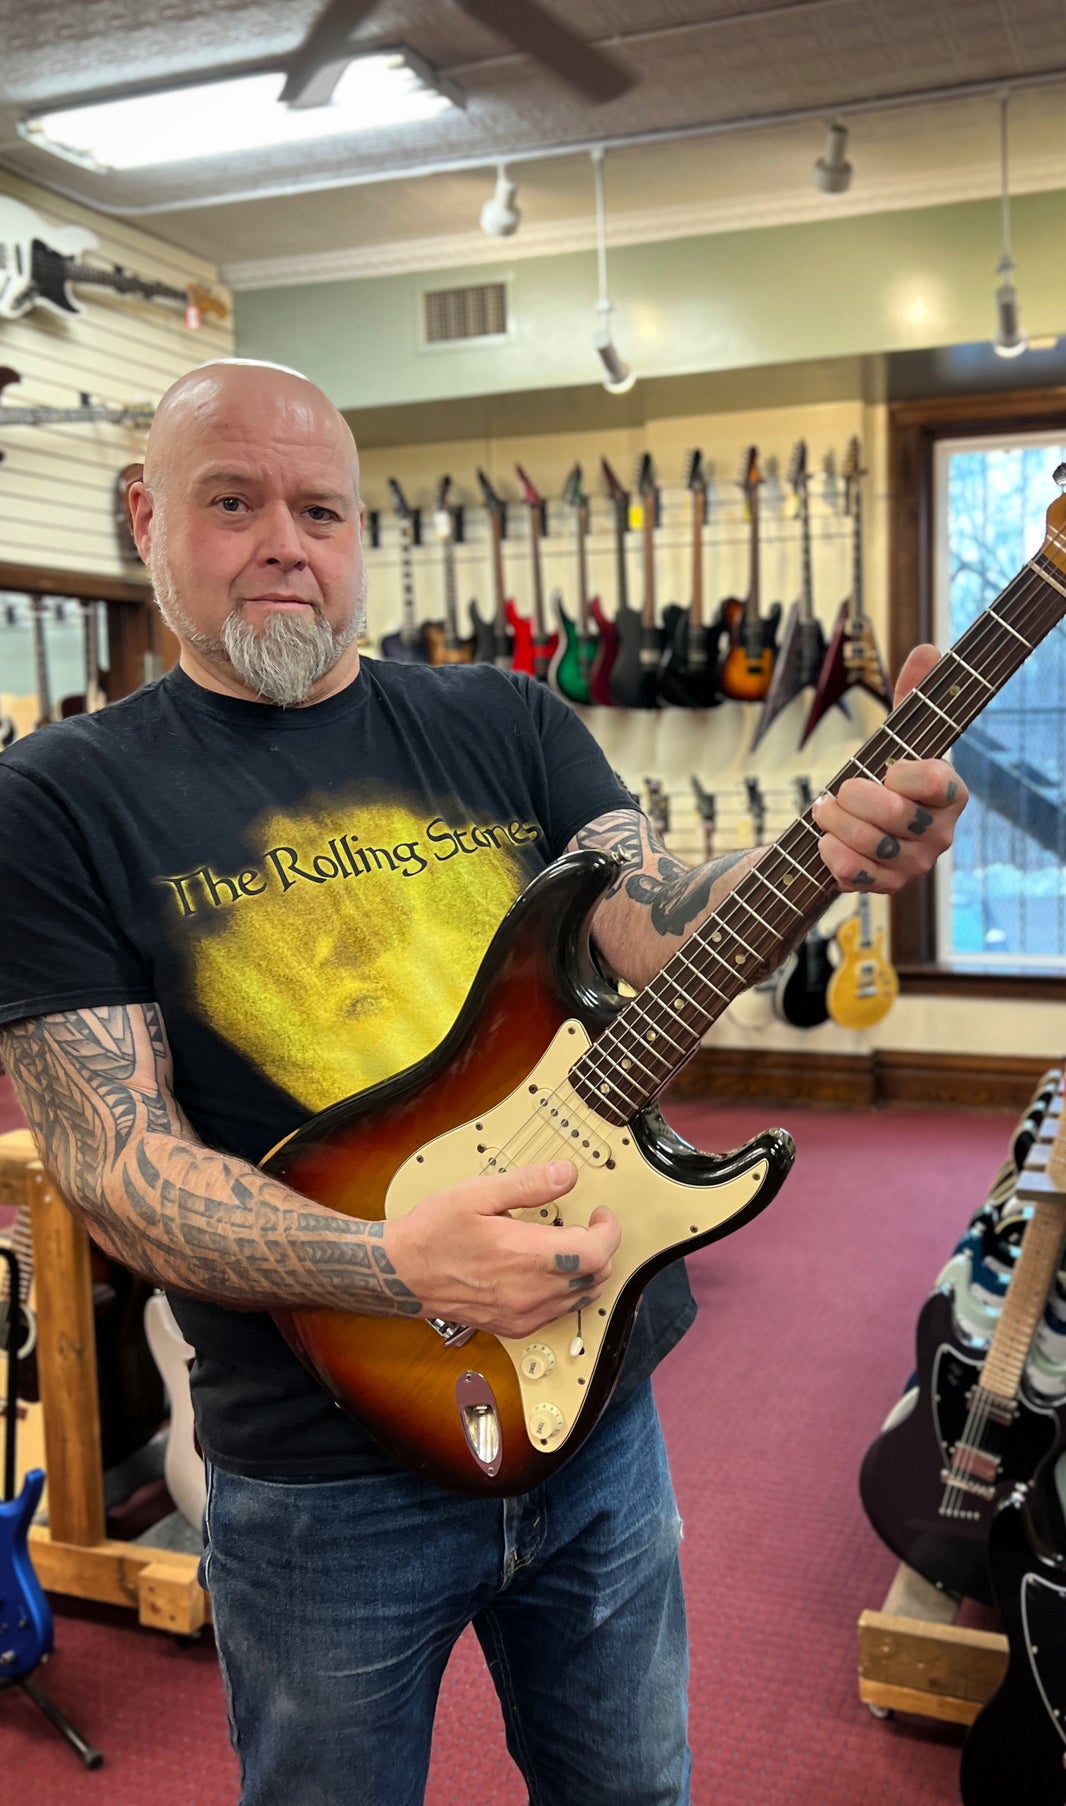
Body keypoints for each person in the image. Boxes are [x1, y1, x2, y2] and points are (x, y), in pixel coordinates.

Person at [0, 360, 967, 1805]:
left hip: (596, 1410)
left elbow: (649, 920)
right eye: (233, 503)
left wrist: (820, 857)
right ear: (147, 518)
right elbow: (116, 1160)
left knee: (633, 1790)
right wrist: (391, 1263)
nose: (286, 544)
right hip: (322, 1471)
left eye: (322, 510)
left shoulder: (504, 720)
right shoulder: (58, 798)